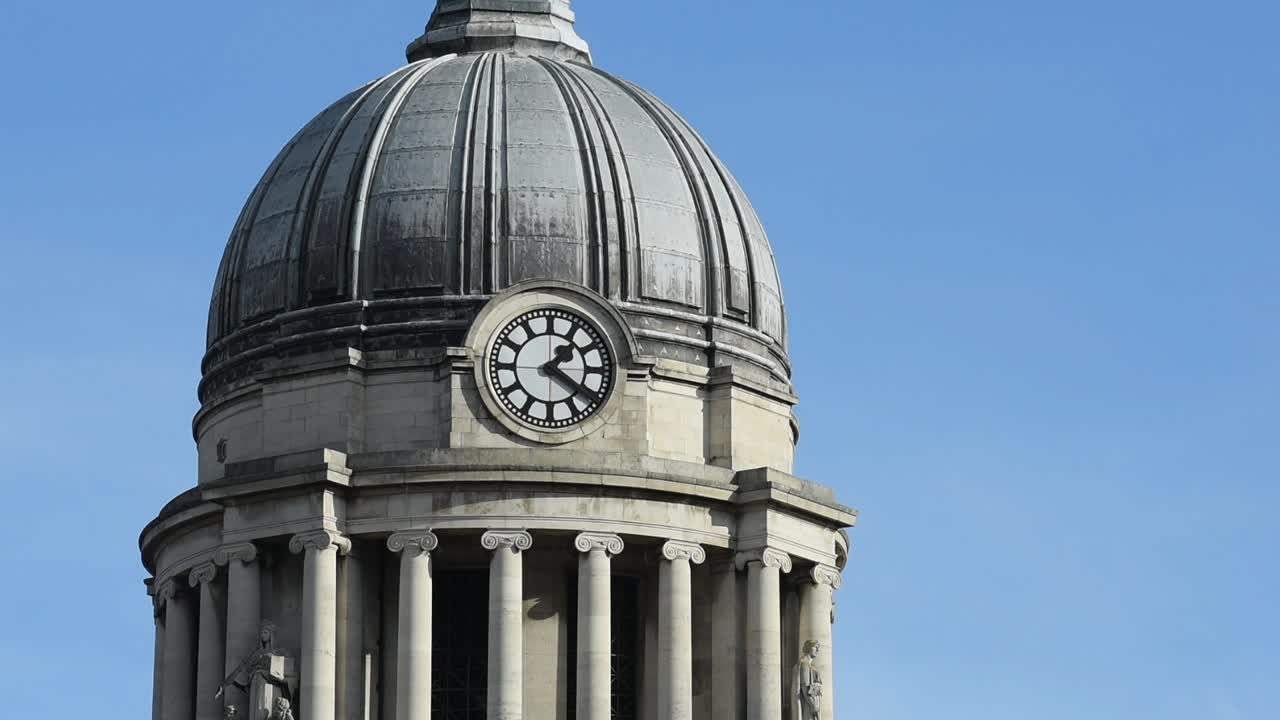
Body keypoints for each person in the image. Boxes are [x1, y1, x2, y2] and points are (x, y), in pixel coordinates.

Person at [793, 640, 823, 720]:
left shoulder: (810, 665)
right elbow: (805, 687)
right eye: (815, 647)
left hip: (813, 702)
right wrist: (814, 706)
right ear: (809, 648)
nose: (817, 650)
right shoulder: (805, 663)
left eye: (818, 648)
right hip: (809, 705)